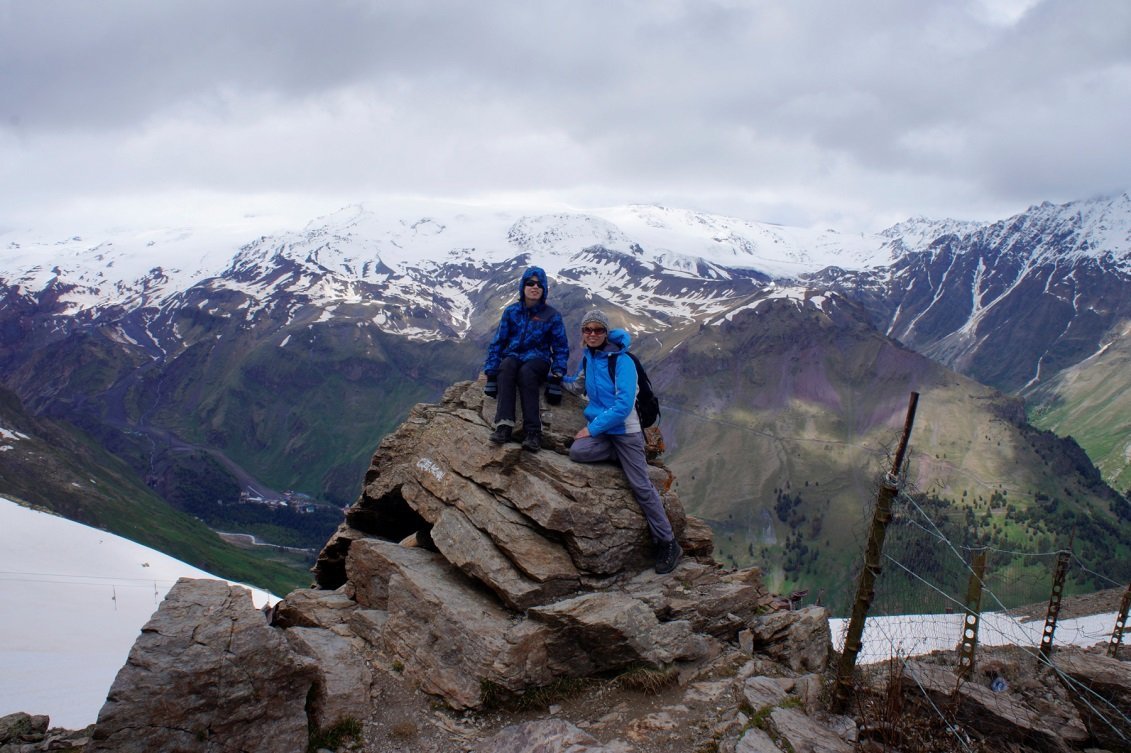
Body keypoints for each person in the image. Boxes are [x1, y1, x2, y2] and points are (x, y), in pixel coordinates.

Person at [565, 309, 683, 574]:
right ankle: (624, 458)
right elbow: (577, 387)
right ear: (582, 334)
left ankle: (668, 542)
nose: (592, 334)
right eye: (588, 330)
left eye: (598, 330)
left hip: (626, 431)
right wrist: (553, 379)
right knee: (577, 452)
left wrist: (592, 428)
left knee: (640, 485)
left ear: (606, 333)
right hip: (607, 432)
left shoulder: (622, 361)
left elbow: (623, 406)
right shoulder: (590, 357)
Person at [482, 266, 570, 452]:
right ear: (523, 286)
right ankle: (504, 426)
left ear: (544, 288)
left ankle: (533, 432)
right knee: (505, 367)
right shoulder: (511, 312)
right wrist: (491, 373)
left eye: (539, 284)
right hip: (513, 356)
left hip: (538, 359)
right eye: (530, 283)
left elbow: (561, 347)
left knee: (526, 373)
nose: (534, 287)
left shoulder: (551, 315)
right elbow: (498, 342)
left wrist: (557, 373)